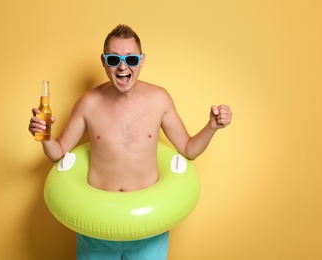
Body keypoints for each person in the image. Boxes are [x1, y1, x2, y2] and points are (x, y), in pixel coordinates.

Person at [29, 24, 232, 260]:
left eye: (131, 59)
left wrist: (212, 127)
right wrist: (44, 134)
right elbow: (58, 152)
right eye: (114, 59)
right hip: (97, 222)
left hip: (148, 223)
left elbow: (188, 149)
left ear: (142, 60)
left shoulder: (159, 99)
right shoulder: (88, 103)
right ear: (104, 61)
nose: (123, 66)